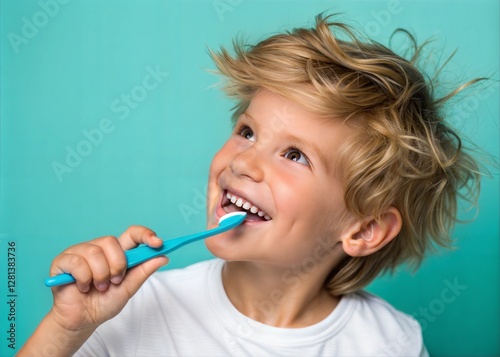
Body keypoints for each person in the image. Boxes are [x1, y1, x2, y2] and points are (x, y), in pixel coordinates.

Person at [20, 13, 482, 356]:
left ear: (363, 230)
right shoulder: (134, 308)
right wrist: (67, 328)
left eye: (295, 155)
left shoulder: (391, 343)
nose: (245, 163)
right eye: (247, 132)